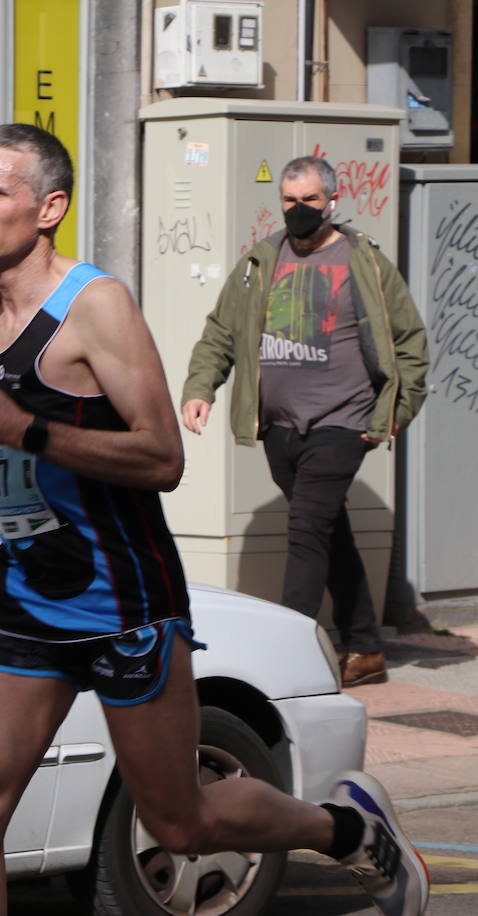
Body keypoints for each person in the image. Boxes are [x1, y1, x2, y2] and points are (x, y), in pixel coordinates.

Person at [0, 125, 428, 916]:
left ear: (50, 207)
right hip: (30, 596)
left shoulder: (96, 306)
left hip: (123, 605)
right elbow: (13, 421)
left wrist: (23, 432)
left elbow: (160, 457)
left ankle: (343, 830)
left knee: (178, 821)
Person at [181, 156, 429, 689]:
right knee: (327, 532)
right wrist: (202, 387)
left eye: (309, 201)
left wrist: (394, 413)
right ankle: (365, 647)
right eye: (289, 201)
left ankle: (286, 659)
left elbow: (410, 344)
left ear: (332, 202)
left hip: (345, 423)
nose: (298, 210)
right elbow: (221, 332)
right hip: (280, 427)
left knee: (305, 532)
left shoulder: (364, 262)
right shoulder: (260, 261)